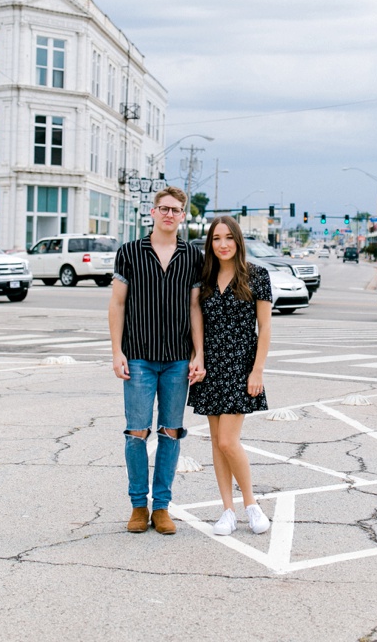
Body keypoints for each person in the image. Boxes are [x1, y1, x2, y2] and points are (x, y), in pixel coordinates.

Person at [107, 186, 205, 534]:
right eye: (163, 208)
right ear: (152, 212)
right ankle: (138, 505)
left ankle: (162, 507)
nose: (169, 214)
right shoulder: (131, 252)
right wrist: (117, 351)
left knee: (170, 432)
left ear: (182, 216)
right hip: (139, 359)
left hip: (178, 360)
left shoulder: (192, 256)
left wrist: (199, 355)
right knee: (136, 432)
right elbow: (118, 304)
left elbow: (195, 308)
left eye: (175, 210)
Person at [188, 214, 273, 535]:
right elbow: (197, 319)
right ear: (210, 244)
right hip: (211, 366)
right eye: (216, 238)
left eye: (228, 237)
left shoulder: (257, 276)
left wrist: (257, 370)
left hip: (241, 365)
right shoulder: (205, 278)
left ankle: (251, 505)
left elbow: (264, 327)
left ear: (238, 240)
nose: (222, 244)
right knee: (216, 442)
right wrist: (197, 356)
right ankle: (227, 510)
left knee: (228, 440)